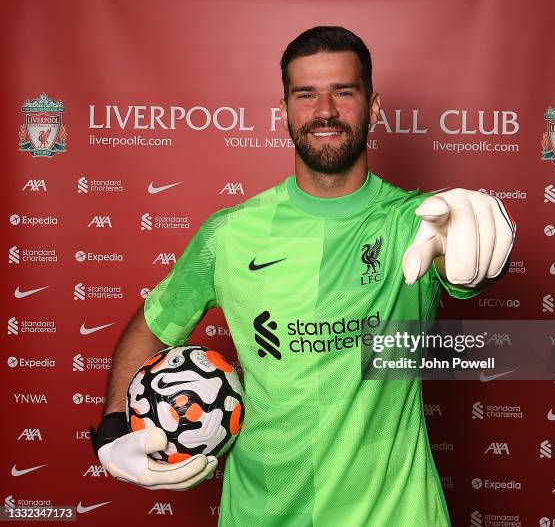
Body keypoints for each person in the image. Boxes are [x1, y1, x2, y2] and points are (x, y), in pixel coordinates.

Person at [90, 26, 515, 526]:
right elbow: (153, 326)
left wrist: (481, 240)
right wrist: (116, 428)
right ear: (284, 111)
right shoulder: (229, 234)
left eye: (344, 92)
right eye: (306, 94)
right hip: (261, 513)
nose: (325, 111)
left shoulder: (417, 221)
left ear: (374, 106)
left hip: (395, 515)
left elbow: (462, 267)